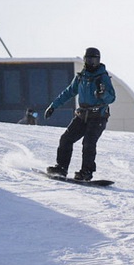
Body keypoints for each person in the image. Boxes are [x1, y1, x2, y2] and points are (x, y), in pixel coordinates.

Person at [44, 47, 116, 181]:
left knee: (88, 143)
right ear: (84, 60)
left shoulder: (103, 77)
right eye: (89, 59)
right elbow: (69, 92)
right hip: (82, 116)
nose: (91, 63)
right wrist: (53, 106)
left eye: (94, 60)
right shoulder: (81, 77)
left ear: (99, 60)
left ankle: (86, 172)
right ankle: (61, 168)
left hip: (98, 117)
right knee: (66, 139)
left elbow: (111, 98)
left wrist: (103, 94)